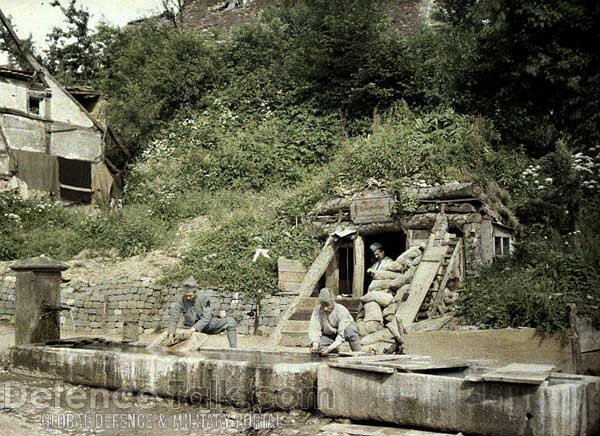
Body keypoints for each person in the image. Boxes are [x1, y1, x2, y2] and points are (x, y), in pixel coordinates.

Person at [167, 276, 237, 348]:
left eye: (190, 296)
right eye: (186, 296)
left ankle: (233, 349)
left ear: (195, 292)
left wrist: (192, 330)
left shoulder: (205, 298)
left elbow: (207, 317)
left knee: (231, 322)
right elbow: (174, 317)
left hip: (208, 325)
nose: (188, 298)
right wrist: (171, 334)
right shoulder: (181, 301)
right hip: (191, 326)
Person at [308, 288, 361, 355]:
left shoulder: (341, 311)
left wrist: (330, 348)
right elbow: (314, 329)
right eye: (323, 306)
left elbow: (341, 334)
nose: (325, 308)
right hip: (329, 337)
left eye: (327, 305)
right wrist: (315, 343)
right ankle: (333, 351)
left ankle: (358, 353)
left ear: (333, 302)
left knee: (351, 329)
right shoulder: (317, 311)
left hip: (343, 334)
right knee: (316, 347)